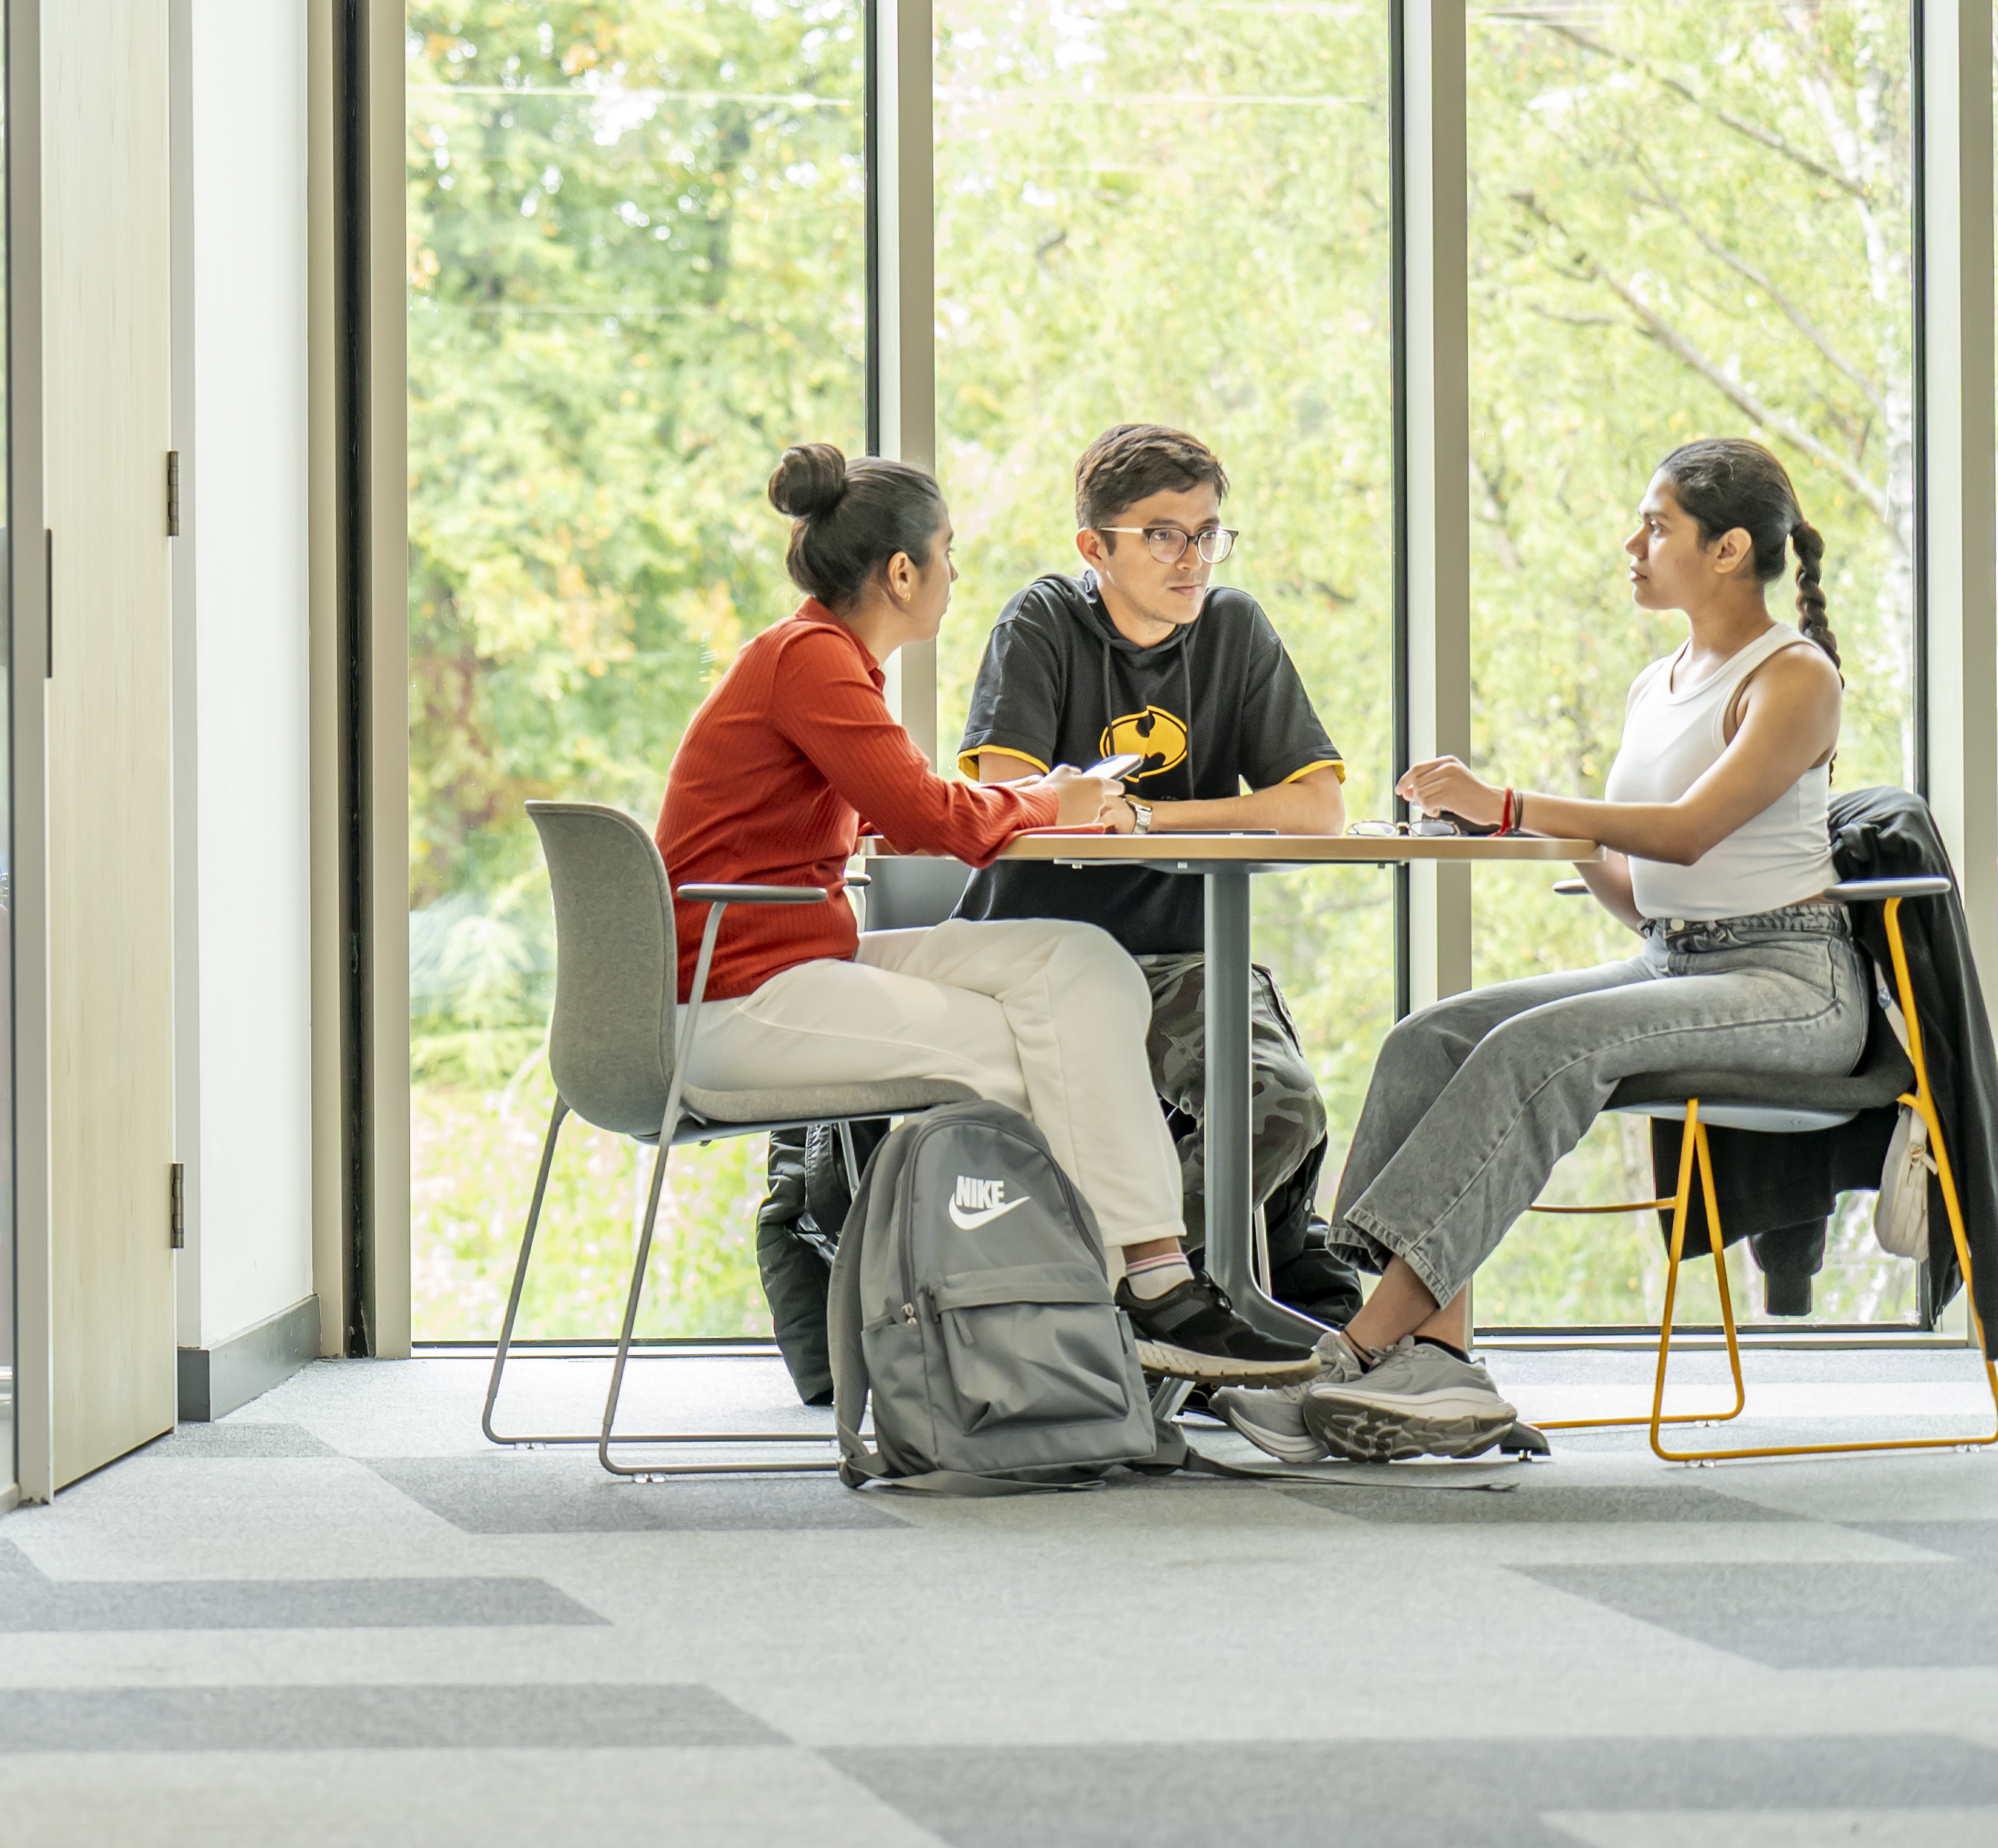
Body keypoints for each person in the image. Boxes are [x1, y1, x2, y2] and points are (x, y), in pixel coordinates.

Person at [1235, 437, 1868, 1464]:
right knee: (1430, 1037)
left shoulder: (1796, 678)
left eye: (1657, 525)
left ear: (1729, 549)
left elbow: (1689, 830)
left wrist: (1515, 800)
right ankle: (1437, 1357)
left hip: (1790, 981)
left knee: (1539, 1051)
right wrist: (1507, 831)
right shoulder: (1655, 683)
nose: (1633, 543)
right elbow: (1644, 880)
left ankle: (1353, 1352)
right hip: (1678, 959)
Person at [659, 443, 1320, 1386]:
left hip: (797, 957)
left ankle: (1147, 1289)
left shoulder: (820, 659)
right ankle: (1130, 1301)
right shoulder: (809, 659)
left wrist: (1035, 801)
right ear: (901, 572)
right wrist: (1057, 802)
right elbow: (933, 820)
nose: (956, 574)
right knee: (1044, 1047)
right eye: (948, 551)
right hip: (735, 999)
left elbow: (903, 810)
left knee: (1080, 969)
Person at [954, 423, 1362, 1323]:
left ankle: (1094, 1301)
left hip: (1183, 958)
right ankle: (1127, 1309)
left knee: (1282, 1106)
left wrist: (1145, 816)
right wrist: (1073, 806)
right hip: (1042, 958)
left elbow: (1317, 804)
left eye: (1210, 531)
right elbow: (1002, 792)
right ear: (1094, 547)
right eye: (1164, 535)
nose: (1194, 557)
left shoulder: (1233, 625)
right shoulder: (1043, 621)